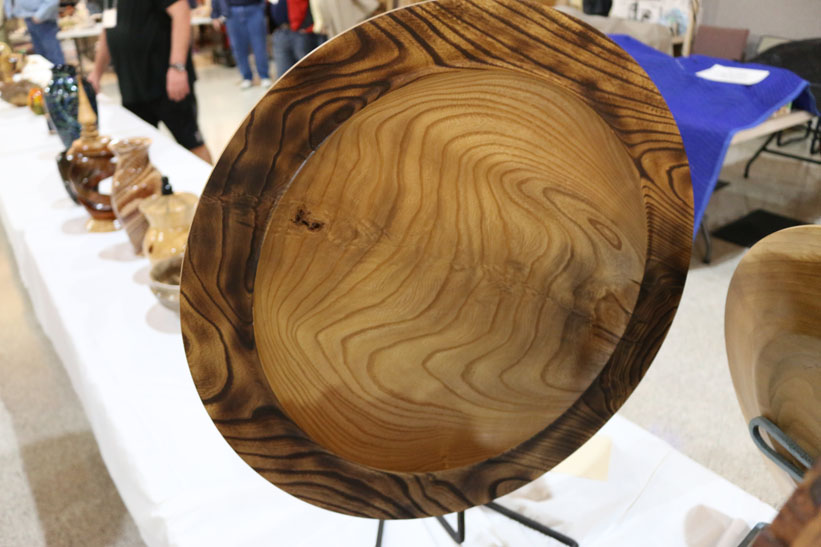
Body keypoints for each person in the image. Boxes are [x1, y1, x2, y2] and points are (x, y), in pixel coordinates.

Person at [87, 0, 212, 164]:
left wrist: (177, 67)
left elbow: (182, 13)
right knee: (142, 149)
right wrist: (96, 73)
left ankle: (215, 181)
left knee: (191, 142)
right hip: (132, 88)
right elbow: (108, 30)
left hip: (167, 84)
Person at [211, 0, 271, 89]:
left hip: (254, 7)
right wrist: (215, 14)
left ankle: (264, 76)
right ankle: (246, 77)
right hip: (231, 11)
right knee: (238, 47)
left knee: (259, 45)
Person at [4, 0, 65, 65]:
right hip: (30, 17)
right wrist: (11, 13)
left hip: (42, 19)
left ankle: (60, 70)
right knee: (41, 54)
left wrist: (40, 15)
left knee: (52, 53)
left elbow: (52, 1)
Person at [269, 0, 318, 78]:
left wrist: (308, 26)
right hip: (280, 32)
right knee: (284, 77)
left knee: (310, 73)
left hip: (300, 32)